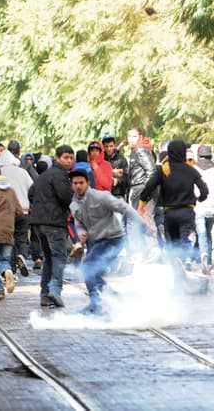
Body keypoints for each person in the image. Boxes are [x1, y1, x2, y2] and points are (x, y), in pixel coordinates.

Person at [69, 170, 144, 315]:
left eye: (81, 183)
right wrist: (81, 234)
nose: (78, 186)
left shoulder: (100, 196)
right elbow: (78, 224)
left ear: (87, 183)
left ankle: (96, 304)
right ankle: (114, 297)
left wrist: (142, 224)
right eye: (75, 183)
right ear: (71, 185)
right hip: (98, 242)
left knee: (88, 268)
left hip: (114, 239)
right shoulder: (73, 205)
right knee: (93, 272)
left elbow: (123, 207)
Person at [139, 140, 208, 265]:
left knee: (173, 244)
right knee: (187, 236)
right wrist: (201, 198)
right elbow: (204, 189)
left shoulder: (164, 170)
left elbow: (149, 186)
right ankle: (187, 258)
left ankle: (177, 264)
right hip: (187, 212)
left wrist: (142, 202)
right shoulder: (190, 170)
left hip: (170, 213)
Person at [29, 145, 74, 307]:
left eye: (71, 158)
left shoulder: (44, 175)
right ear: (58, 158)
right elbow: (66, 197)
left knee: (48, 258)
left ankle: (45, 294)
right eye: (66, 158)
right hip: (54, 223)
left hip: (38, 223)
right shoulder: (60, 175)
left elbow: (31, 192)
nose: (69, 161)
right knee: (59, 258)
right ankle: (55, 290)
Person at [0, 149, 33, 276]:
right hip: (23, 211)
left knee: (9, 241)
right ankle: (22, 255)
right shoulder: (22, 172)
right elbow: (32, 188)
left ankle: (10, 270)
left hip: (5, 213)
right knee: (22, 237)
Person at [0, 166, 24, 300]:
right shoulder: (11, 191)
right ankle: (7, 271)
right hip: (8, 231)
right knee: (4, 259)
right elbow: (20, 212)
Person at [127, 127, 158, 259]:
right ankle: (147, 250)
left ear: (140, 137)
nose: (131, 139)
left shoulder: (140, 150)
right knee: (143, 218)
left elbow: (151, 171)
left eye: (134, 136)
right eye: (129, 136)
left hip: (141, 188)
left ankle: (150, 249)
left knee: (140, 218)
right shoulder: (144, 148)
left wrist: (145, 189)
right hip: (143, 188)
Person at [193, 145, 214, 272]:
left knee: (201, 233)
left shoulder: (194, 169)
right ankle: (209, 261)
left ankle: (203, 255)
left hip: (198, 206)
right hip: (213, 207)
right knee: (208, 233)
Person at [102, 135, 130, 202]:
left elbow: (127, 175)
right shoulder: (101, 158)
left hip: (118, 194)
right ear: (103, 147)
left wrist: (118, 180)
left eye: (111, 146)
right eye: (106, 146)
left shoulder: (121, 158)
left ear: (114, 145)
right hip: (103, 194)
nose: (109, 149)